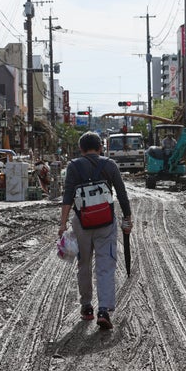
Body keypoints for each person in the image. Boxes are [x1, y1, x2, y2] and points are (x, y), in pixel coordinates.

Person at [58, 131, 132, 330]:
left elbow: (67, 196)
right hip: (106, 222)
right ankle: (104, 310)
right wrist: (127, 218)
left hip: (82, 223)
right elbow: (122, 195)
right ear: (101, 147)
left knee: (84, 264)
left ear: (81, 149)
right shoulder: (110, 165)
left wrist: (63, 223)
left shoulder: (73, 166)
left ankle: (87, 307)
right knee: (106, 265)